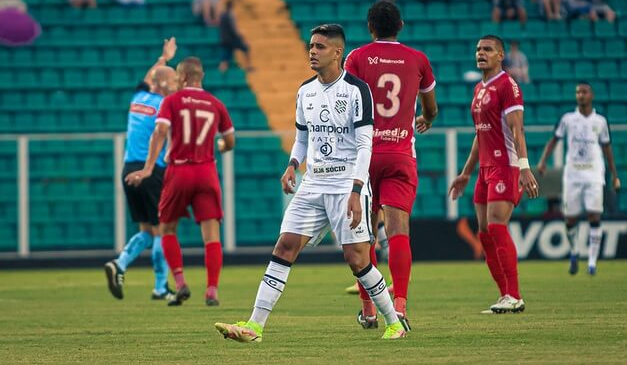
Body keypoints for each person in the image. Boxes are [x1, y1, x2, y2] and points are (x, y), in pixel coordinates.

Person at [215, 24, 407, 342]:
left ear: (337, 52)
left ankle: (394, 323)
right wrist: (292, 165)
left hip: (347, 185)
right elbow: (303, 139)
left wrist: (358, 191)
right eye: (310, 46)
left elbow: (365, 146)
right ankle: (254, 326)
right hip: (313, 184)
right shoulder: (305, 91)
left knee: (357, 258)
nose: (312, 51)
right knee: (285, 246)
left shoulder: (357, 91)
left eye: (319, 46)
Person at [344, 0, 438, 328]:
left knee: (363, 234)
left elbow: (347, 105)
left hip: (364, 155)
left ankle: (369, 309)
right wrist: (424, 118)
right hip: (400, 154)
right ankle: (399, 306)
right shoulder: (418, 60)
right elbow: (431, 108)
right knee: (398, 231)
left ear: (371, 28)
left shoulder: (356, 58)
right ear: (400, 25)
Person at [126, 56, 236, 307]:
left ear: (183, 77)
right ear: (201, 76)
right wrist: (220, 145)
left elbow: (160, 132)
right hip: (207, 171)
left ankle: (180, 282)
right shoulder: (216, 103)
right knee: (211, 236)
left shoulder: (172, 101)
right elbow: (230, 140)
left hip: (179, 170)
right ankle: (212, 290)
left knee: (166, 229)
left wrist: (148, 168)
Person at [449, 35, 539, 314]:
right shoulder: (479, 88)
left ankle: (515, 294)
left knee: (497, 226)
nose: (481, 53)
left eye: (487, 49)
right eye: (478, 49)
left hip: (507, 165)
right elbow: (480, 135)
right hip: (485, 169)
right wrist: (465, 173)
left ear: (501, 55)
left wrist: (524, 165)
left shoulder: (507, 85)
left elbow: (517, 128)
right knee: (485, 233)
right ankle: (504, 296)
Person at [104, 38, 179, 301]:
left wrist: (163, 58)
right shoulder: (163, 106)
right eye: (172, 82)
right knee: (163, 230)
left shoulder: (138, 98)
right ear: (163, 85)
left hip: (128, 168)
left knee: (146, 230)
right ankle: (160, 286)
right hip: (151, 170)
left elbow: (151, 78)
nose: (175, 85)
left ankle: (120, 263)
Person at [537, 83, 620, 276]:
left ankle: (592, 262)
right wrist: (543, 161)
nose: (580, 95)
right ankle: (574, 252)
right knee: (570, 219)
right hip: (573, 174)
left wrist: (614, 174)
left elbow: (607, 148)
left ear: (591, 95)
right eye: (578, 93)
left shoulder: (600, 121)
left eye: (584, 92)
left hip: (593, 173)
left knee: (594, 215)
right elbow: (554, 140)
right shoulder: (568, 119)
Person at [218, 0, 253, 72]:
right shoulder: (231, 15)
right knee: (246, 48)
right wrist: (241, 35)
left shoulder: (222, 15)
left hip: (224, 40)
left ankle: (221, 75)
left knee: (224, 59)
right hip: (232, 40)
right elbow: (234, 30)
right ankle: (248, 66)